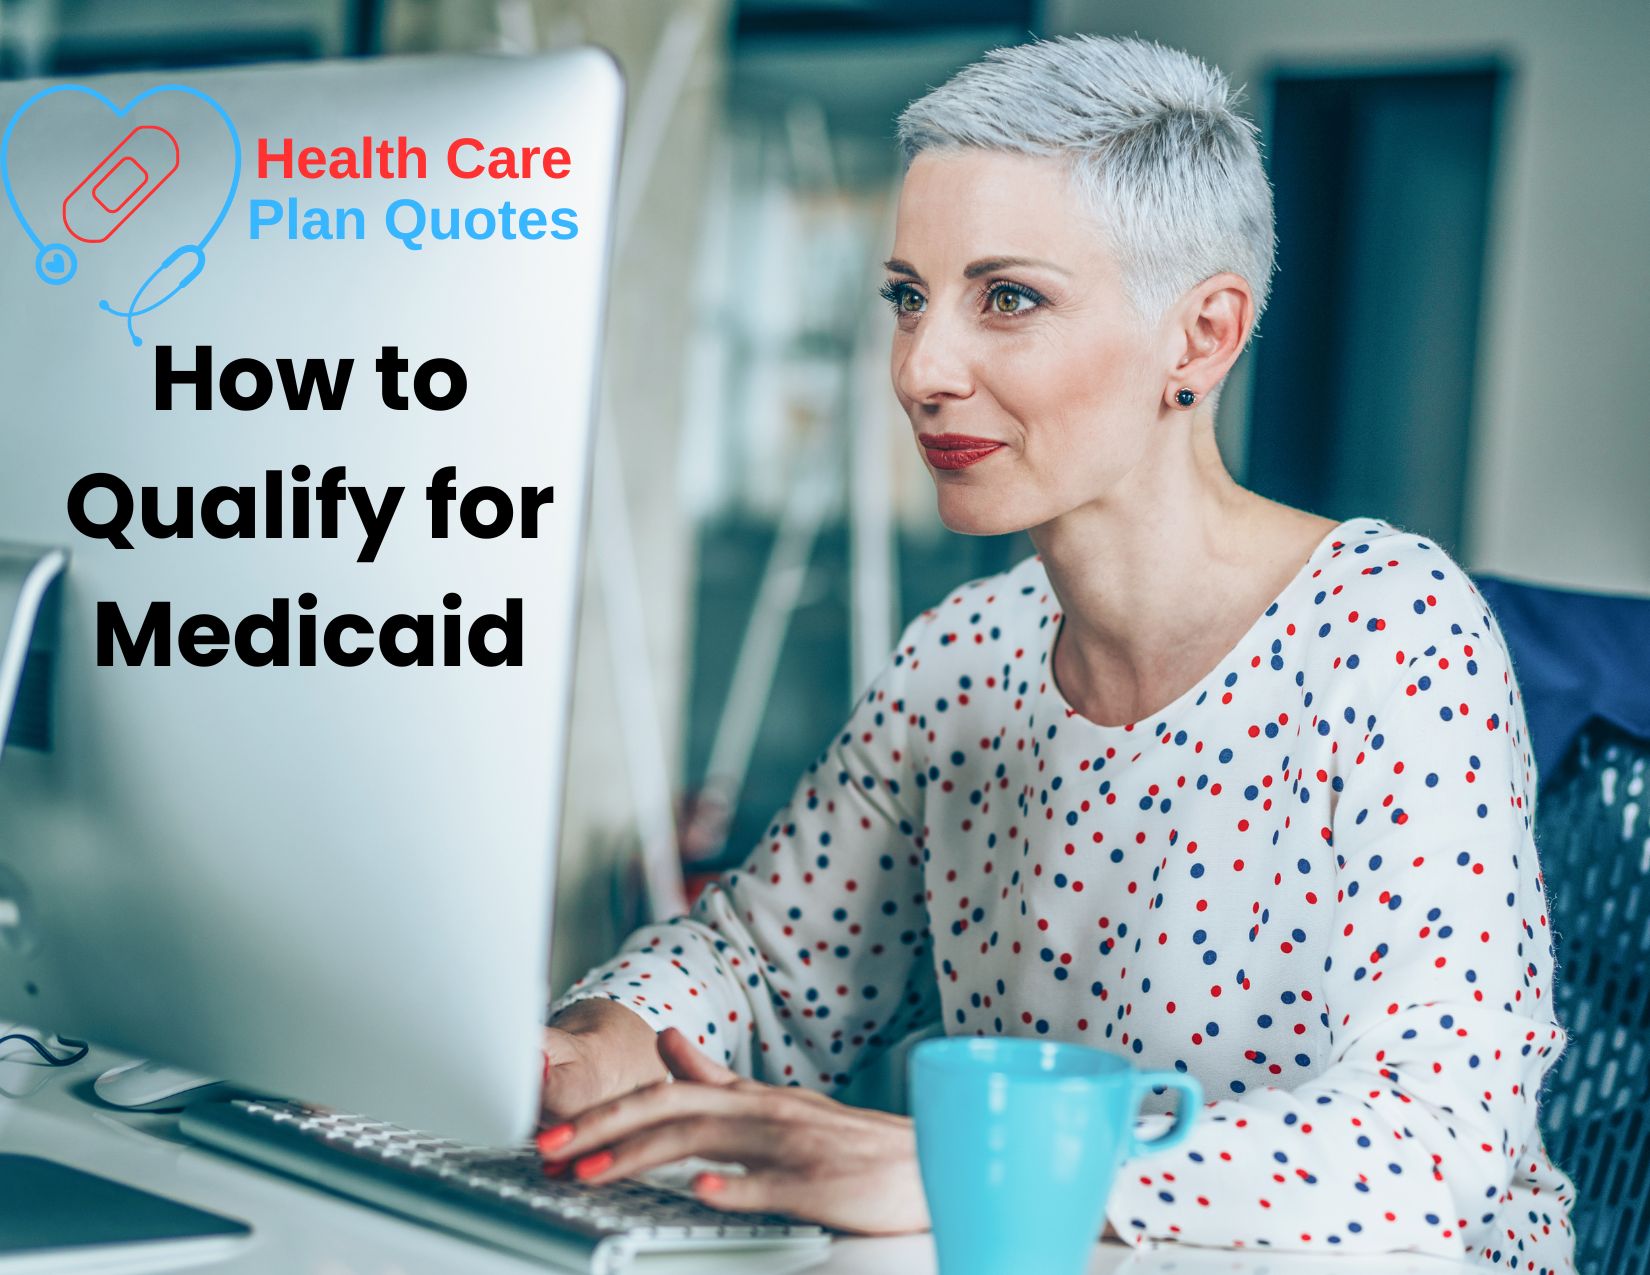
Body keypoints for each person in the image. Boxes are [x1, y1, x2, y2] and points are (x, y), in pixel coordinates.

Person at [535, 34, 1575, 1272]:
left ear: (1199, 338)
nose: (923, 368)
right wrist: (599, 1034)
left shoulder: (1391, 635)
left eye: (1008, 299)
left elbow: (1430, 1145)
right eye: (908, 296)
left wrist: (952, 1169)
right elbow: (761, 969)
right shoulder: (963, 660)